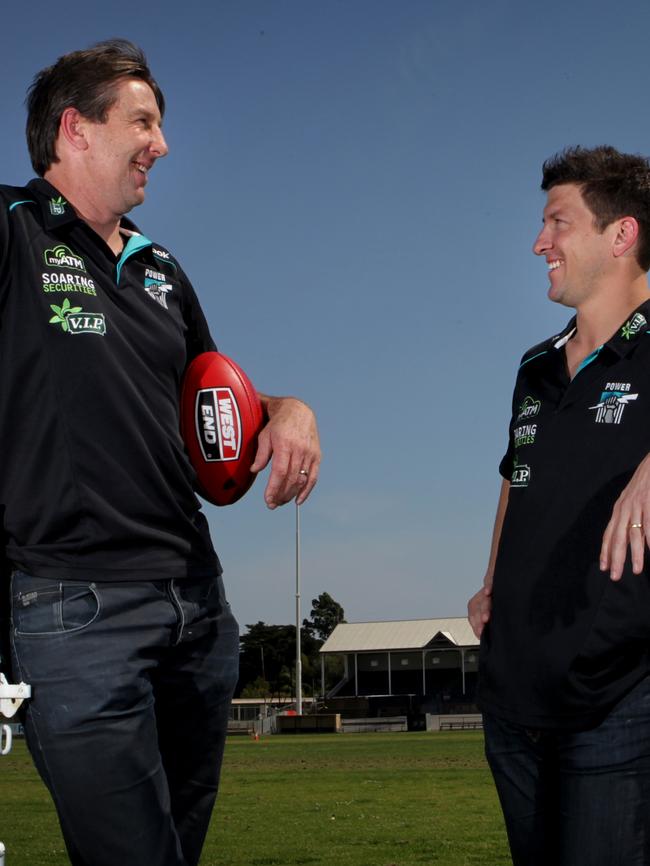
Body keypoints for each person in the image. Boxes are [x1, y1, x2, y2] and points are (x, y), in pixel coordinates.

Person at [2, 39, 320, 866]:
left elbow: (222, 405)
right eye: (142, 120)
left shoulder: (162, 270)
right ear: (75, 129)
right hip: (75, 613)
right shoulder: (13, 232)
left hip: (197, 611)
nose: (162, 143)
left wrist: (291, 411)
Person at [468, 145, 650, 865]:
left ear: (621, 234)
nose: (539, 241)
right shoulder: (534, 366)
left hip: (618, 697)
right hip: (513, 693)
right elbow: (516, 478)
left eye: (557, 222)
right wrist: (491, 583)